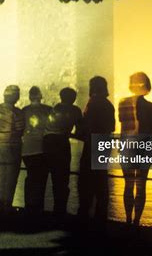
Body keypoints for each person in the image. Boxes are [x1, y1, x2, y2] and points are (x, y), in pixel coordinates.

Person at [118, 72, 152, 225]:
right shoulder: (150, 106)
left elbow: (122, 125)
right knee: (141, 186)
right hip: (143, 148)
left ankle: (127, 219)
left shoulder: (122, 103)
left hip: (126, 146)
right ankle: (136, 222)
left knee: (128, 184)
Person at [77, 76, 115, 223]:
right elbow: (111, 127)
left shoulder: (92, 104)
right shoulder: (108, 104)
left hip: (92, 145)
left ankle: (84, 219)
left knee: (86, 182)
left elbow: (86, 127)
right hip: (103, 144)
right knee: (101, 183)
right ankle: (101, 218)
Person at [43, 87, 83, 216]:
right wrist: (70, 135)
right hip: (61, 143)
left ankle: (44, 210)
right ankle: (60, 210)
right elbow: (81, 131)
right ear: (73, 98)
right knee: (62, 177)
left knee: (52, 177)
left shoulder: (53, 109)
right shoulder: (75, 110)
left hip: (47, 143)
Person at [0, 85, 25, 214]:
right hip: (12, 146)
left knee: (2, 176)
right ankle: (7, 206)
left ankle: (0, 204)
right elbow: (20, 129)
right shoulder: (17, 112)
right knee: (11, 177)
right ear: (15, 97)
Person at [21, 86, 52, 215]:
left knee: (30, 177)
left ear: (29, 97)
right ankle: (39, 207)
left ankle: (28, 205)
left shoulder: (23, 111)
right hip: (42, 148)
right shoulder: (48, 110)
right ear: (40, 96)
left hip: (27, 149)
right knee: (41, 179)